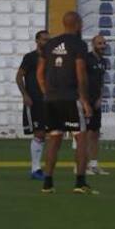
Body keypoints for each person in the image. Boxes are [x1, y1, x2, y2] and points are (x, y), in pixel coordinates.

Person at [36, 12, 95, 194]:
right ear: (77, 24)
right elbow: (80, 72)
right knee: (81, 139)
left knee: (54, 140)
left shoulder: (51, 44)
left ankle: (47, 183)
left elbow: (40, 73)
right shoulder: (78, 44)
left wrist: (47, 93)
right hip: (71, 98)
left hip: (51, 99)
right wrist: (84, 99)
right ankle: (80, 183)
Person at [16, 30, 50, 180]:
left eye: (48, 40)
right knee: (39, 133)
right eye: (44, 40)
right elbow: (18, 77)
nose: (46, 42)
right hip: (34, 100)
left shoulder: (51, 58)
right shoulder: (30, 57)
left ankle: (38, 169)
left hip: (48, 101)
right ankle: (35, 169)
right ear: (37, 40)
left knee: (44, 134)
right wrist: (25, 95)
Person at [84, 35, 109, 176]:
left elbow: (101, 82)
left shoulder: (104, 61)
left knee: (95, 133)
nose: (103, 45)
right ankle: (83, 166)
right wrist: (84, 101)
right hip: (86, 101)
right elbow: (81, 80)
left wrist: (100, 97)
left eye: (104, 43)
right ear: (93, 44)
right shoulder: (87, 59)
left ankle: (94, 165)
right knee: (86, 134)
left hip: (96, 101)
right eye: (100, 43)